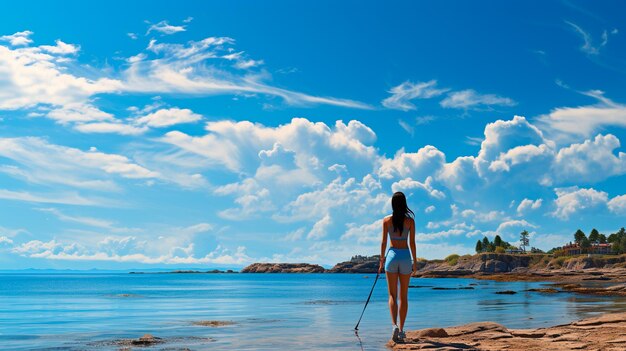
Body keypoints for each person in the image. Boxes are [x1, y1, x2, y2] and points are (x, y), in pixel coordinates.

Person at [378, 191, 417, 342]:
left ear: (392, 204)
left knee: (392, 295)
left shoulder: (386, 220)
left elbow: (383, 243)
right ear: (404, 203)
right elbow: (412, 243)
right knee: (404, 296)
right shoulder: (410, 222)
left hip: (392, 256)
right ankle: (401, 330)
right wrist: (415, 261)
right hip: (405, 256)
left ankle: (393, 325)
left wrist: (381, 261)